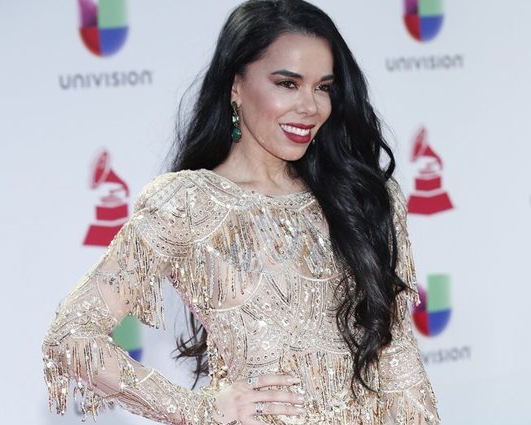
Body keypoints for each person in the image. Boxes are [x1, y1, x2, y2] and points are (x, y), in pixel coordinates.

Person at [41, 0, 440, 423]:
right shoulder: (186, 204)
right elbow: (70, 335)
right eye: (287, 84)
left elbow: (397, 359)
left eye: (324, 87)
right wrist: (197, 409)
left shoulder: (364, 197)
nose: (310, 106)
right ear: (236, 85)